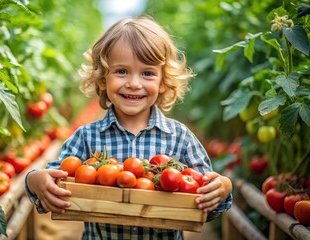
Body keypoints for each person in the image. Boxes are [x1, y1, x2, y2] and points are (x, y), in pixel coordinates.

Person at [25, 16, 233, 239]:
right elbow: (55, 180)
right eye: (121, 71)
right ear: (103, 79)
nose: (134, 83)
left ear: (162, 82)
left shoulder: (180, 138)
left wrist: (223, 188)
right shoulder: (86, 137)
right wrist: (34, 180)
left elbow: (206, 198)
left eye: (147, 73)